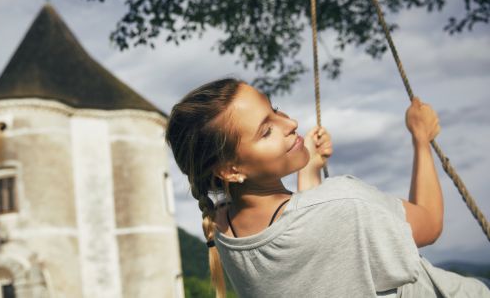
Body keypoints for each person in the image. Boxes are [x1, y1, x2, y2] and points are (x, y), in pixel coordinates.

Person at [165, 78, 490, 298]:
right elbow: (430, 224)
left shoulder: (223, 229)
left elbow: (312, 259)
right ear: (230, 170)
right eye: (266, 131)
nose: (289, 123)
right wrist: (421, 138)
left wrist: (309, 169)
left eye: (274, 109)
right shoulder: (344, 204)